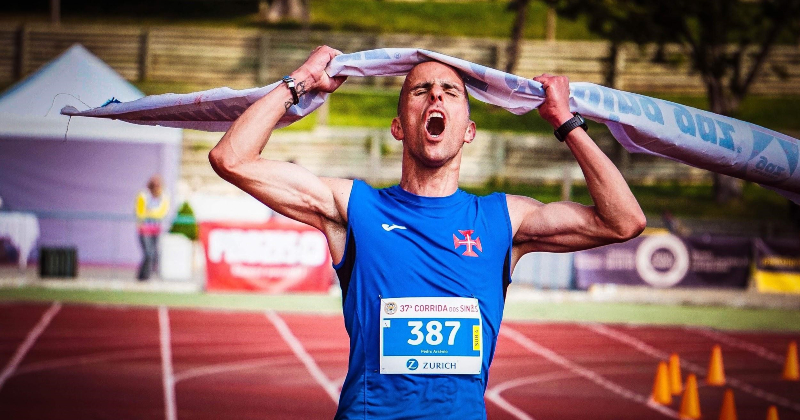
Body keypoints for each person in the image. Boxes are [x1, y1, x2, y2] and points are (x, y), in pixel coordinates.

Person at [209, 46, 646, 419]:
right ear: (399, 127)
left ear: (468, 131)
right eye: (420, 90)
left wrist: (566, 122)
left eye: (450, 91)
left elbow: (623, 220)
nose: (435, 93)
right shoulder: (355, 209)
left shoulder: (503, 220)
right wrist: (300, 81)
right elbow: (232, 157)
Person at [135, 175, 170, 281]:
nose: (156, 188)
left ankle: (145, 275)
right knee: (148, 253)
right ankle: (143, 276)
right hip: (144, 230)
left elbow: (162, 212)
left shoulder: (164, 196)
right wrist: (152, 214)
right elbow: (140, 212)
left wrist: (150, 213)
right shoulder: (143, 195)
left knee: (154, 254)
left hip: (156, 230)